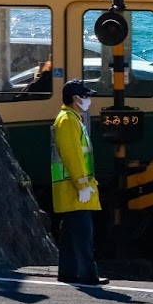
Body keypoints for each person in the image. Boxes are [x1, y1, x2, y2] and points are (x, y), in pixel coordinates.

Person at [51, 79, 107, 286]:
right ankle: (88, 275)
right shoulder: (68, 120)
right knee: (83, 236)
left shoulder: (71, 118)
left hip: (70, 187)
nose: (89, 100)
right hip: (74, 189)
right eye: (86, 96)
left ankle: (68, 272)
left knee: (70, 235)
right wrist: (82, 185)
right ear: (76, 98)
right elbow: (72, 155)